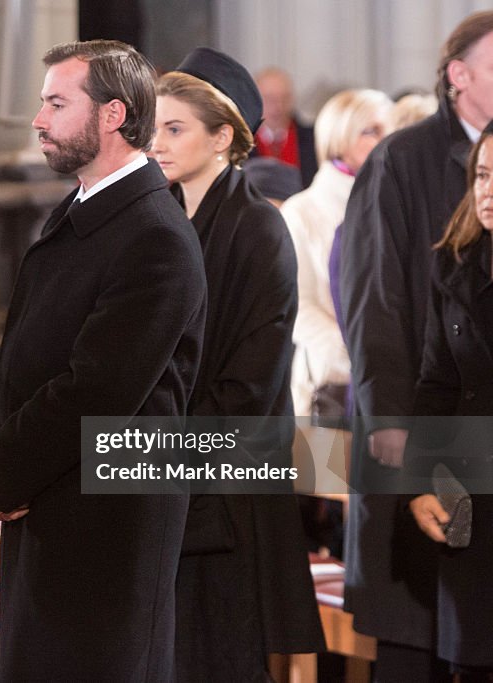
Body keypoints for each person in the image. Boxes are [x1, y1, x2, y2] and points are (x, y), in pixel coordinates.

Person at [0, 40, 206, 681]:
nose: (39, 120)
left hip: (106, 527)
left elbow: (98, 390)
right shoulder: (79, 212)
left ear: (112, 116)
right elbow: (12, 351)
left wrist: (2, 469)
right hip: (46, 496)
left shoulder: (155, 236)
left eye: (56, 103)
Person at [151, 47, 324, 680]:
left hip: (226, 477)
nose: (158, 143)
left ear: (223, 136)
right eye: (154, 128)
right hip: (161, 468)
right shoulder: (160, 220)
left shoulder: (259, 229)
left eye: (176, 129)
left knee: (218, 653)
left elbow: (252, 378)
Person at [340, 10, 493, 679]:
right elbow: (376, 309)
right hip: (417, 433)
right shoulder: (401, 158)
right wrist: (399, 442)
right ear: (459, 75)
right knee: (414, 640)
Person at [407, 128, 493, 678]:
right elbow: (436, 382)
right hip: (472, 499)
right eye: (483, 176)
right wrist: (419, 482)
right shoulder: (456, 263)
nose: (488, 191)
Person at [282, 89, 392, 421]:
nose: (386, 141)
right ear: (339, 138)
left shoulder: (397, 205)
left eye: (391, 130)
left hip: (394, 386)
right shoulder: (302, 211)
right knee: (327, 474)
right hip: (330, 386)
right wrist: (356, 356)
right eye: (371, 131)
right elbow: (297, 307)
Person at [251, 67, 318, 189]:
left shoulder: (314, 138)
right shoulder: (237, 143)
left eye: (285, 98)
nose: (278, 106)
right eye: (270, 99)